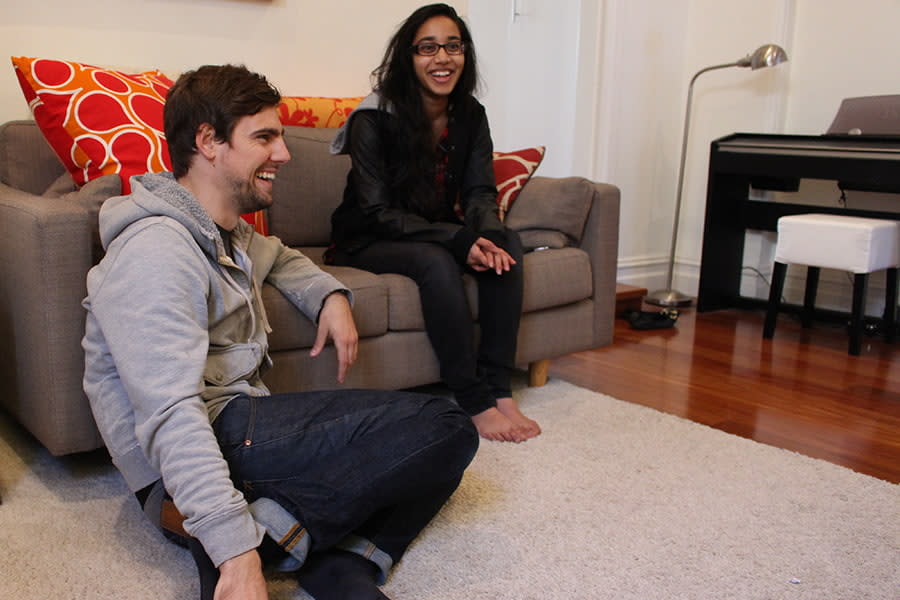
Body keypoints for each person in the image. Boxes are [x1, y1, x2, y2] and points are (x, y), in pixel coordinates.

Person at [82, 64, 478, 600]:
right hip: (193, 453)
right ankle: (249, 544)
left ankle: (335, 561)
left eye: (282, 137)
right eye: (265, 137)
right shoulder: (156, 249)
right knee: (444, 427)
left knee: (419, 457)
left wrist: (331, 295)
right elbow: (170, 411)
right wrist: (236, 555)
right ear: (209, 143)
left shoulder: (224, 231)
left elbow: (281, 257)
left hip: (236, 428)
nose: (284, 154)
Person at [328, 3, 541, 443]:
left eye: (453, 47)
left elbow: (480, 191)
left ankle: (499, 388)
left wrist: (486, 234)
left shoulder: (471, 114)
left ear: (465, 54)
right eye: (427, 48)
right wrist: (459, 240)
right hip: (368, 236)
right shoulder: (373, 117)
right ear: (408, 56)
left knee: (508, 246)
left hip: (433, 230)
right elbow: (375, 211)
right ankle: (471, 398)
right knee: (436, 262)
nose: (442, 58)